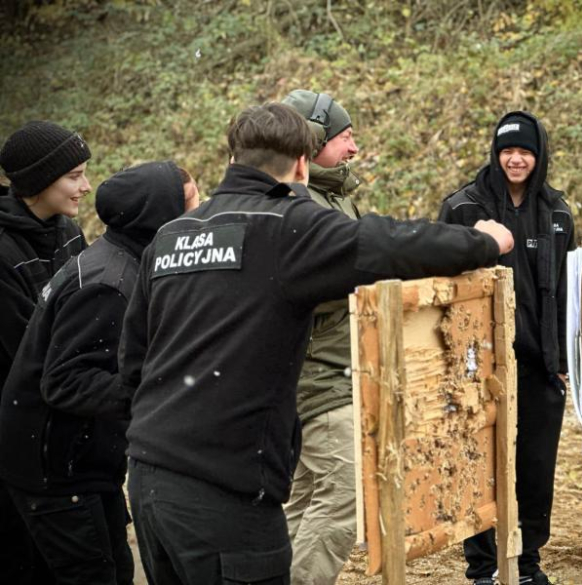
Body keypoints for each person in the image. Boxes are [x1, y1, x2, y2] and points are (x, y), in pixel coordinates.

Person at [121, 102, 513, 585]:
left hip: (148, 476)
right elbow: (391, 244)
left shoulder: (170, 236)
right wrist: (485, 242)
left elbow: (133, 361)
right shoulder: (286, 226)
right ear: (303, 165)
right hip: (226, 489)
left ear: (232, 159)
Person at [0, 160, 199, 584]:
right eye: (192, 204)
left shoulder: (122, 258)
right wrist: (159, 390)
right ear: (158, 215)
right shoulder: (108, 284)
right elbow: (64, 381)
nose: (201, 215)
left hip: (82, 461)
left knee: (114, 567)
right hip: (56, 467)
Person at [439, 111, 576, 585]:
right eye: (507, 151)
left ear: (538, 156)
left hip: (540, 368)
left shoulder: (558, 213)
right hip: (480, 366)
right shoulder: (462, 208)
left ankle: (527, 562)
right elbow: (442, 291)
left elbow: (567, 292)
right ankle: (482, 569)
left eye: (525, 151)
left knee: (534, 471)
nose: (516, 159)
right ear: (495, 154)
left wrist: (562, 362)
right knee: (479, 467)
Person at [0, 120, 92, 584]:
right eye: (74, 175)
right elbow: (26, 351)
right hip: (20, 440)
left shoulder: (69, 235)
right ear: (38, 181)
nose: (86, 186)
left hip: (70, 434)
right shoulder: (3, 251)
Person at [280, 89, 361, 584]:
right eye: (345, 137)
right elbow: (307, 287)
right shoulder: (299, 199)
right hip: (318, 377)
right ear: (313, 140)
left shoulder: (332, 194)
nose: (354, 148)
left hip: (336, 371)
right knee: (342, 500)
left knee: (308, 498)